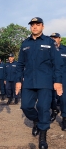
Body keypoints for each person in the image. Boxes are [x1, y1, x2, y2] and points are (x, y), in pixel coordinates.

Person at [15, 17, 63, 149]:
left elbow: (57, 64)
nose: (34, 27)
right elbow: (20, 64)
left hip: (45, 82)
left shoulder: (49, 42)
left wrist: (58, 81)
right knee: (26, 106)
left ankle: (43, 137)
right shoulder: (25, 44)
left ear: (43, 26)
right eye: (32, 25)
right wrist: (18, 81)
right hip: (29, 82)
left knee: (43, 107)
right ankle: (36, 120)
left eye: (38, 24)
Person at [50, 33, 66, 130]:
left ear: (60, 39)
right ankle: (54, 110)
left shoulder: (65, 49)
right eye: (52, 38)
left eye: (55, 38)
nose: (54, 39)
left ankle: (64, 118)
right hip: (51, 76)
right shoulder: (48, 50)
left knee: (64, 98)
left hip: (63, 77)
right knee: (50, 97)